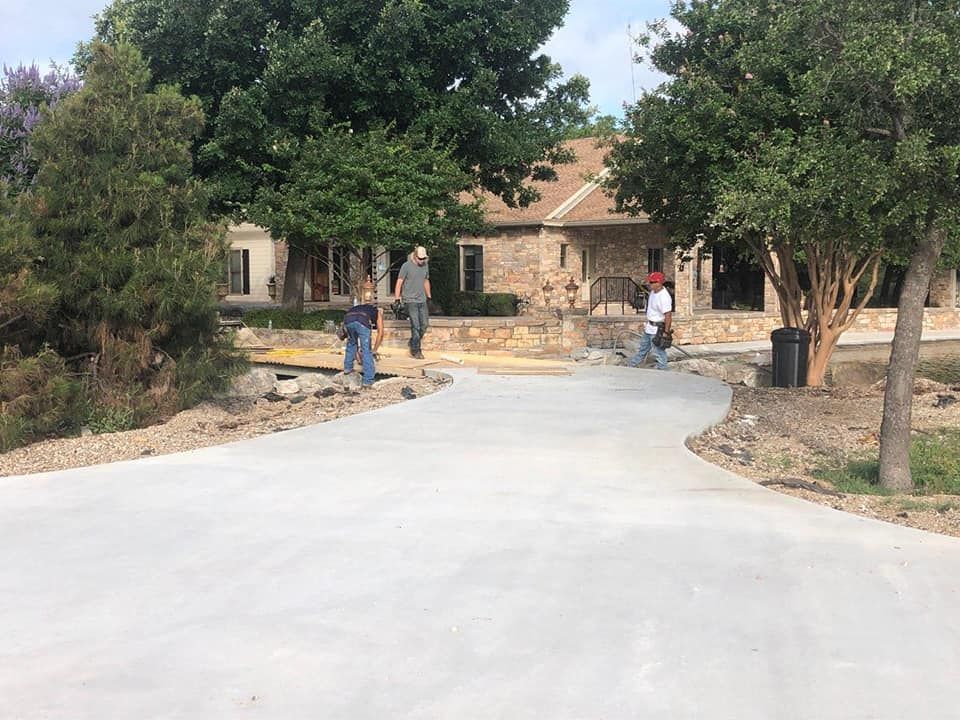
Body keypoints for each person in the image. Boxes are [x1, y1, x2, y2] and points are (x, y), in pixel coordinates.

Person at [628, 271, 673, 370]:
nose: (650, 284)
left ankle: (663, 370)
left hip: (657, 329)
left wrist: (666, 332)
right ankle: (631, 366)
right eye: (650, 282)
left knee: (659, 352)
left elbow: (668, 315)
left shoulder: (664, 297)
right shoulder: (653, 292)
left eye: (652, 282)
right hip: (649, 327)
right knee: (642, 348)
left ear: (659, 283)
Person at [394, 245, 431, 359]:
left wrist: (429, 296)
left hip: (422, 299)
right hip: (410, 300)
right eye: (420, 258)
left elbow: (426, 281)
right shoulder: (406, 266)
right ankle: (416, 350)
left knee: (424, 325)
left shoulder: (425, 266)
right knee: (416, 325)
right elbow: (399, 282)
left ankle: (412, 342)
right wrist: (397, 299)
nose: (422, 261)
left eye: (423, 258)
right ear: (415, 256)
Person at [342, 302, 384, 387]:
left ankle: (347, 370)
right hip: (362, 320)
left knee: (351, 344)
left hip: (348, 319)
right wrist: (374, 350)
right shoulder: (378, 312)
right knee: (366, 350)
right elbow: (381, 333)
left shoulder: (360, 308)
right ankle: (368, 381)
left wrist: (358, 357)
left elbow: (354, 345)